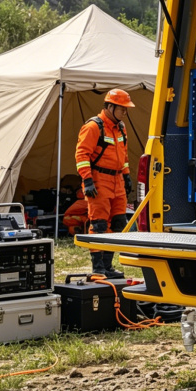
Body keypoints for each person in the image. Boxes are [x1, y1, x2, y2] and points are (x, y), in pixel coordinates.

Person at [75, 88, 134, 277]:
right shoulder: (93, 127)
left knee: (117, 224)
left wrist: (126, 175)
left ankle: (108, 266)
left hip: (117, 181)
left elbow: (123, 155)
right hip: (99, 180)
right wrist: (88, 180)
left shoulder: (121, 127)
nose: (125, 112)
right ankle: (98, 268)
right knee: (99, 224)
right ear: (110, 106)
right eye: (122, 108)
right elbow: (82, 154)